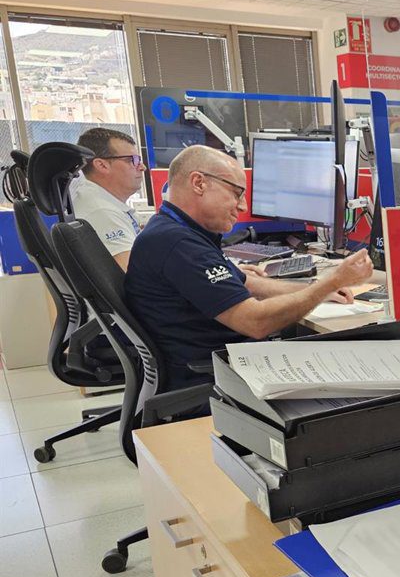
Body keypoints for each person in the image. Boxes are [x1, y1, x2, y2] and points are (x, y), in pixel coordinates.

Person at [125, 145, 373, 390]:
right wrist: (331, 282)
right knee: (359, 370)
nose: (243, 206)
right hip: (214, 381)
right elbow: (256, 322)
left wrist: (319, 289)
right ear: (199, 183)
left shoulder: (176, 230)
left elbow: (247, 283)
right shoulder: (178, 244)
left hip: (221, 362)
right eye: (236, 193)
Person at [72, 128, 146, 270]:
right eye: (133, 160)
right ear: (102, 165)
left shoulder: (100, 202)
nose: (142, 167)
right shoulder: (102, 212)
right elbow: (134, 274)